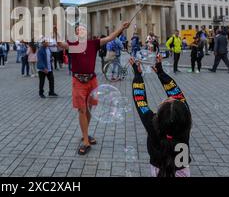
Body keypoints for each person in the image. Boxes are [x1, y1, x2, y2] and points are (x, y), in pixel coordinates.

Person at [57, 21, 130, 155]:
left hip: (92, 80)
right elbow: (61, 44)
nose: (82, 31)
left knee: (89, 109)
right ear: (76, 33)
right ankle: (85, 140)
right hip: (78, 80)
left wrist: (121, 28)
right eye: (79, 29)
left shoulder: (93, 43)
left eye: (84, 29)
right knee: (82, 110)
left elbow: (110, 37)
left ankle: (85, 133)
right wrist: (56, 32)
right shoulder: (72, 45)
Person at [130, 56, 192, 177]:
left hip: (158, 171)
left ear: (159, 116)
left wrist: (137, 75)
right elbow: (177, 94)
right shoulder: (183, 122)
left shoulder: (153, 123)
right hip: (182, 170)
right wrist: (161, 73)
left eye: (168, 101)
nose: (170, 97)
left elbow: (139, 100)